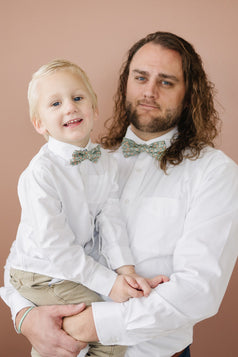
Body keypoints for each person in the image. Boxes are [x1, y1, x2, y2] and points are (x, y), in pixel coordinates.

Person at [1, 31, 238, 357]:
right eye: (140, 77)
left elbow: (199, 291)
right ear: (126, 82)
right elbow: (29, 247)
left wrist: (87, 325)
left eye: (166, 82)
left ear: (189, 94)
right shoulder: (91, 161)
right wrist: (24, 316)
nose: (149, 91)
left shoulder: (216, 172)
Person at [2, 59, 168, 357]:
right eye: (55, 103)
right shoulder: (40, 175)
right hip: (41, 272)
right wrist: (109, 282)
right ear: (39, 123)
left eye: (78, 98)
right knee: (109, 331)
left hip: (70, 268)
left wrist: (125, 271)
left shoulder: (105, 162)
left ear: (94, 108)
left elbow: (110, 220)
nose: (70, 107)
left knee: (111, 309)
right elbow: (57, 248)